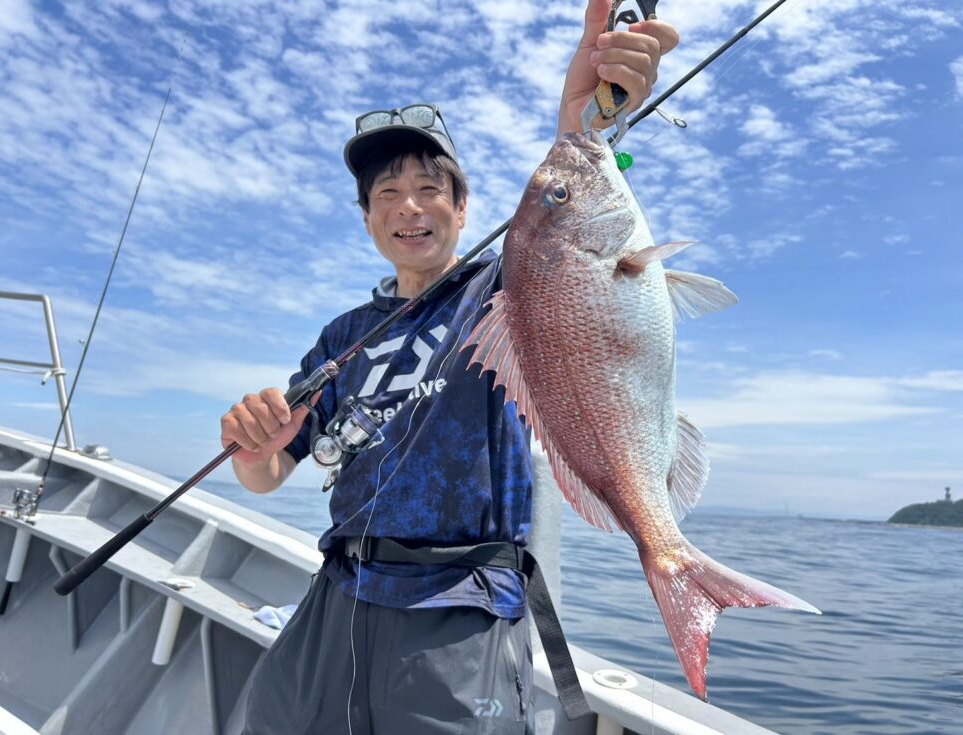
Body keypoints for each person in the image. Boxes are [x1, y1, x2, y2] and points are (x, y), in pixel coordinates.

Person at [222, 3, 678, 733]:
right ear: (368, 217)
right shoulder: (342, 334)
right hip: (340, 591)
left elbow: (571, 229)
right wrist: (256, 450)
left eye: (431, 187)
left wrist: (585, 120)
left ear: (464, 210)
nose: (410, 206)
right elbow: (270, 472)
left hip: (460, 607)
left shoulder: (506, 289)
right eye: (387, 193)